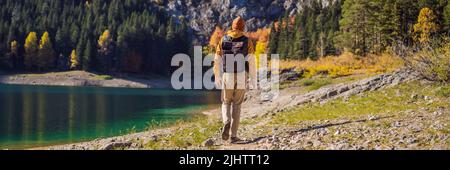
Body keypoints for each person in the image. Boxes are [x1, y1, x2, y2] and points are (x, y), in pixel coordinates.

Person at [213, 16, 256, 144]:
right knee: (237, 104)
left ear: (232, 26)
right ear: (243, 27)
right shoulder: (247, 41)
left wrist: (217, 75)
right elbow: (252, 61)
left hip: (228, 74)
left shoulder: (223, 39)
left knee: (226, 102)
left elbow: (217, 59)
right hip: (242, 75)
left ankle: (226, 121)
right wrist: (253, 79)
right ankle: (233, 135)